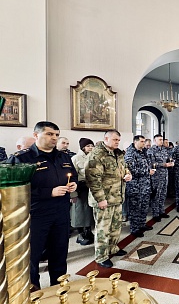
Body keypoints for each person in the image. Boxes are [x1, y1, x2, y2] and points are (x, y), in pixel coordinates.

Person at [7, 121, 78, 289]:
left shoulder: (63, 156)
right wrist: (49, 192)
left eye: (56, 135)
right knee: (32, 256)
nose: (54, 138)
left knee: (59, 253)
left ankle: (58, 288)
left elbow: (73, 175)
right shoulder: (22, 158)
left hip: (61, 212)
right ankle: (33, 292)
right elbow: (14, 191)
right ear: (36, 135)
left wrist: (73, 184)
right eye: (49, 134)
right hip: (36, 214)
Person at [85, 129, 132, 268]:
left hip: (117, 197)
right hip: (104, 199)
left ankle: (113, 248)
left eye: (118, 140)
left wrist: (128, 174)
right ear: (106, 139)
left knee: (116, 227)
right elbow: (93, 179)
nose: (117, 142)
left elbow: (125, 168)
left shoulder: (118, 154)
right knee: (103, 229)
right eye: (114, 140)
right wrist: (100, 199)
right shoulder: (97, 154)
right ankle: (101, 256)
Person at [124, 135, 155, 237]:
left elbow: (148, 163)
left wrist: (149, 170)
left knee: (144, 206)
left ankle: (142, 224)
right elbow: (131, 169)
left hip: (145, 184)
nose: (144, 143)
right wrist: (147, 171)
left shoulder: (144, 151)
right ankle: (134, 228)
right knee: (135, 207)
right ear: (135, 142)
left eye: (144, 141)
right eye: (142, 141)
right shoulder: (130, 152)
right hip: (135, 185)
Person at [71, 138, 95, 245]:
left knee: (89, 211)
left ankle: (88, 232)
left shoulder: (94, 157)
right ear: (83, 147)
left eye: (92, 146)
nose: (91, 148)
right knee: (80, 211)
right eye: (88, 146)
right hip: (80, 187)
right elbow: (72, 176)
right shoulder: (76, 158)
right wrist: (73, 194)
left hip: (91, 187)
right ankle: (81, 234)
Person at [147, 134, 173, 222]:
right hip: (156, 176)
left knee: (163, 194)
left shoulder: (165, 150)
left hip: (165, 175)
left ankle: (161, 211)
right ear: (155, 140)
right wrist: (163, 164)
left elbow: (169, 159)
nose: (161, 141)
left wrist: (171, 162)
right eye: (159, 140)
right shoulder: (151, 150)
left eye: (162, 139)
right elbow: (151, 163)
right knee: (156, 195)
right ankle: (155, 213)